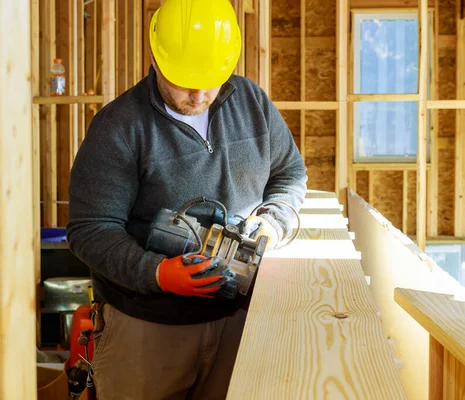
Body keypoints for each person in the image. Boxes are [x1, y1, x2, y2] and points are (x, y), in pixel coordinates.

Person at [66, 0, 307, 398]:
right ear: (156, 59)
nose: (197, 95)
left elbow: (290, 174)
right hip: (147, 330)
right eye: (183, 81)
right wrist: (157, 273)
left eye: (209, 80)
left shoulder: (253, 105)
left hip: (242, 321)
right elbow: (90, 230)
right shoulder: (119, 127)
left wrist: (271, 223)